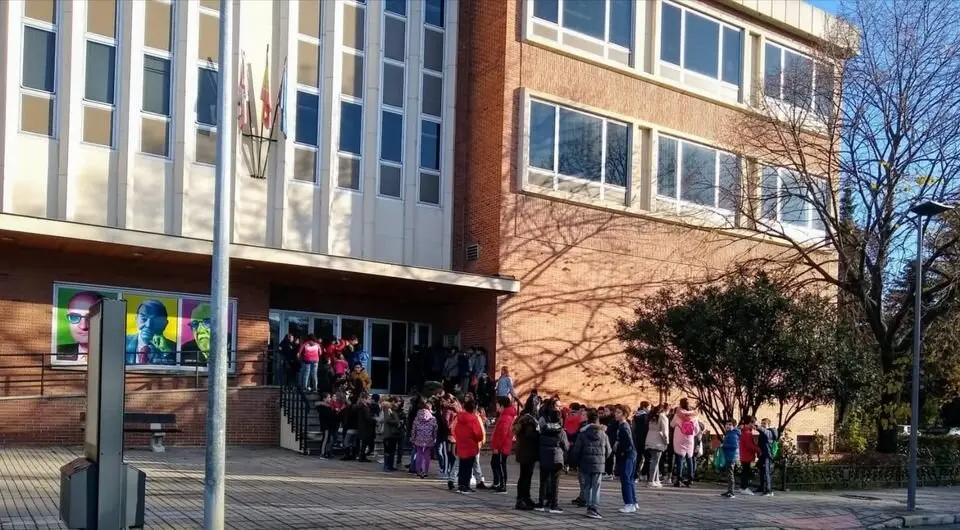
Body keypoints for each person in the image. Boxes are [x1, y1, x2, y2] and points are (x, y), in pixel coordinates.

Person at [569, 408, 612, 520]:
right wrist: (602, 458)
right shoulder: (603, 434)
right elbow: (609, 450)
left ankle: (589, 507)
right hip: (599, 464)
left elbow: (577, 450)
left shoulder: (582, 434)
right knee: (596, 486)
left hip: (585, 463)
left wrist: (577, 461)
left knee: (587, 486)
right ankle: (595, 507)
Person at [536, 409, 568, 513]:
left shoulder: (543, 429)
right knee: (555, 483)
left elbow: (539, 441)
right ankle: (554, 505)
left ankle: (541, 503)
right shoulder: (561, 431)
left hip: (544, 457)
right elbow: (566, 446)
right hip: (556, 459)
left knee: (543, 481)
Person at [453, 400, 484, 494]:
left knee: (462, 466)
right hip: (470, 445)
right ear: (474, 409)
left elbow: (455, 430)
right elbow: (478, 434)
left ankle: (460, 485)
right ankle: (466, 485)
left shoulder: (459, 418)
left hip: (461, 444)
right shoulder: (474, 419)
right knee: (468, 467)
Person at [513, 404, 540, 510]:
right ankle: (522, 499)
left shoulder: (522, 417)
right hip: (528, 452)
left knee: (525, 476)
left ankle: (524, 497)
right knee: (525, 476)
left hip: (523, 452)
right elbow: (530, 435)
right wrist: (539, 433)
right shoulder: (529, 420)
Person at [613, 404, 638, 513]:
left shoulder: (624, 426)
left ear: (624, 415)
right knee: (629, 479)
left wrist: (622, 451)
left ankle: (629, 503)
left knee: (626, 479)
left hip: (627, 455)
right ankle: (634, 502)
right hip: (630, 454)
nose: (616, 414)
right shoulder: (623, 425)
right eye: (616, 412)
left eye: (618, 413)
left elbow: (628, 443)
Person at [489, 396, 516, 494]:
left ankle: (503, 485)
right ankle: (497, 483)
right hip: (501, 444)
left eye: (497, 405)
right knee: (495, 463)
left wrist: (497, 446)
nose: (496, 406)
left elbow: (502, 434)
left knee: (500, 465)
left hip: (502, 445)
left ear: (502, 405)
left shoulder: (505, 417)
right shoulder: (504, 415)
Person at [670, 398, 699, 487]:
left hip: (679, 437)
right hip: (689, 438)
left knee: (679, 458)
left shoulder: (678, 414)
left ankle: (678, 480)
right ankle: (690, 480)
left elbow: (672, 424)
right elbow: (697, 429)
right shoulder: (694, 415)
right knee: (689, 458)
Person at [410, 400, 438, 479]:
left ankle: (418, 471)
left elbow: (413, 429)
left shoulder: (417, 418)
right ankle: (425, 471)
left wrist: (413, 438)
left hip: (418, 438)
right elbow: (435, 429)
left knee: (419, 454)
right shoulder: (433, 418)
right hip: (429, 439)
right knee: (427, 455)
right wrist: (434, 438)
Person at [644, 404, 669, 488]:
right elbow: (665, 432)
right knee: (655, 461)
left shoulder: (652, 417)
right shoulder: (663, 417)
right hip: (658, 441)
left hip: (649, 440)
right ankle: (651, 480)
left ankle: (656, 479)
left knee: (655, 461)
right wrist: (666, 442)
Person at [755, 418, 779, 496]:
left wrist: (758, 427)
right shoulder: (763, 432)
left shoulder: (770, 432)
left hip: (768, 455)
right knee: (762, 471)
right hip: (762, 454)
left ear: (769, 425)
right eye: (762, 423)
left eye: (764, 424)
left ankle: (769, 490)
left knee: (767, 472)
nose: (763, 425)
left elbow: (764, 431)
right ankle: (762, 487)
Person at [721, 419, 742, 498]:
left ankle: (731, 492)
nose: (728, 426)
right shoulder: (730, 433)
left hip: (731, 456)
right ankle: (729, 490)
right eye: (727, 424)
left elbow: (734, 446)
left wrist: (723, 446)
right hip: (729, 455)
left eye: (730, 425)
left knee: (730, 474)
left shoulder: (733, 434)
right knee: (729, 473)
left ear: (734, 426)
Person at [739, 415, 759, 495]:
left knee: (745, 471)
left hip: (744, 454)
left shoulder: (745, 431)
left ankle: (742, 487)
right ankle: (744, 487)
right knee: (746, 472)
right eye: (754, 423)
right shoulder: (747, 432)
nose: (754, 425)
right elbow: (749, 445)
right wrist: (758, 449)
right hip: (746, 455)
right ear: (750, 423)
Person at [381, 400, 402, 471]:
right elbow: (388, 420)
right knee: (389, 451)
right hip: (389, 434)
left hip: (391, 434)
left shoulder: (390, 411)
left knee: (391, 451)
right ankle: (387, 466)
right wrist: (397, 422)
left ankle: (390, 465)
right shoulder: (388, 411)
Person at [633, 401, 650, 481]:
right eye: (649, 407)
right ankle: (644, 473)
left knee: (638, 457)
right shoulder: (645, 417)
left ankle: (635, 475)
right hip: (645, 438)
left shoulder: (636, 416)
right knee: (647, 457)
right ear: (644, 408)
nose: (649, 409)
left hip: (637, 438)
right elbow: (647, 428)